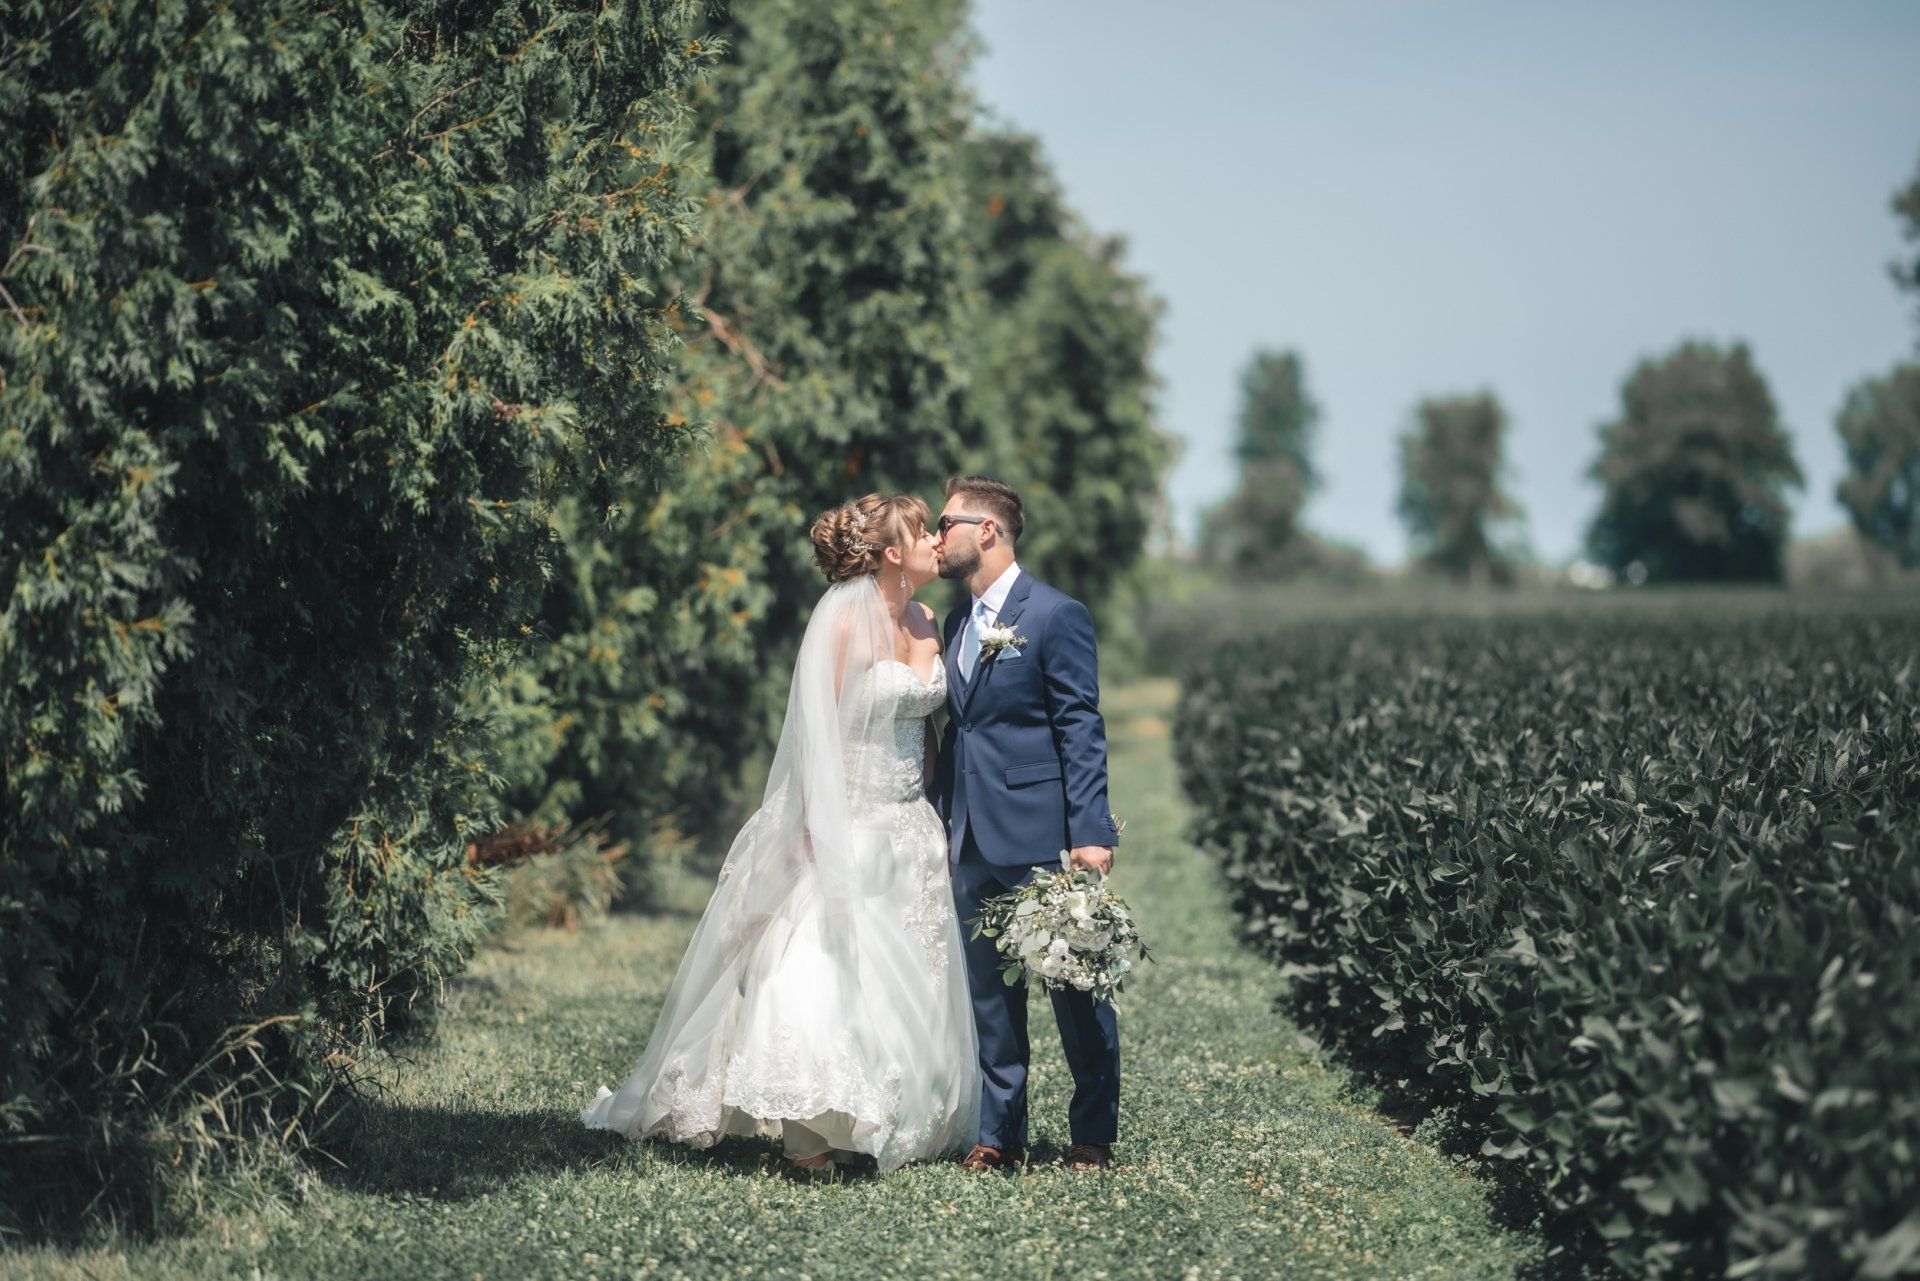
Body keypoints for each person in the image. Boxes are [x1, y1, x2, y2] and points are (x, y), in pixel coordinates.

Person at [581, 494, 979, 1174]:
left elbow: (924, 730)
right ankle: (812, 1134)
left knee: (913, 973)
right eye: (921, 532)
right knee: (826, 969)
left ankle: (899, 1114)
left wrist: (933, 812)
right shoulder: (842, 625)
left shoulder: (927, 618)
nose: (934, 542)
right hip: (847, 818)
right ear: (891, 553)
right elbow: (814, 736)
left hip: (911, 824)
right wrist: (813, 828)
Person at [932, 475, 1123, 1174]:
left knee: (1074, 989)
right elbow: (961, 732)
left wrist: (1091, 830)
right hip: (971, 838)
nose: (933, 534)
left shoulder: (1055, 614)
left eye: (944, 520)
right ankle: (999, 1134)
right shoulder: (955, 623)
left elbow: (1080, 726)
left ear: (988, 530)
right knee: (991, 998)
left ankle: (1092, 1136)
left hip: (1043, 834)